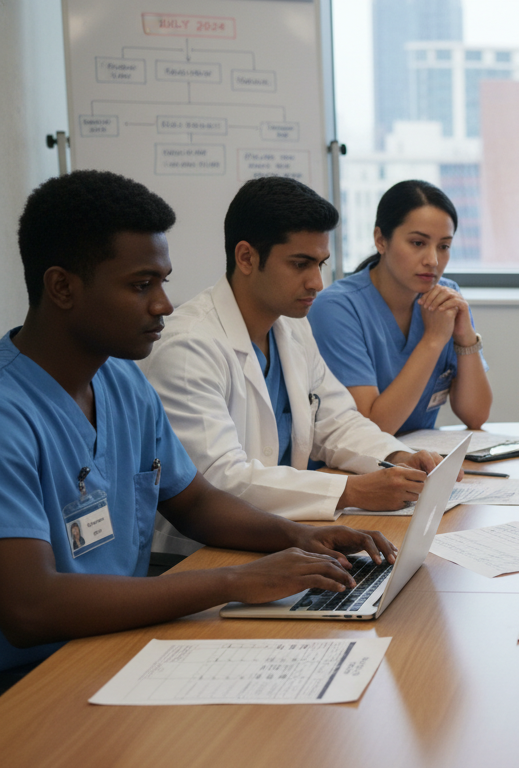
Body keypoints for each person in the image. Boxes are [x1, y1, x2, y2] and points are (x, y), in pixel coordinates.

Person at [0, 170, 396, 686]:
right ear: (62, 287)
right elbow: (31, 608)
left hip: (121, 642)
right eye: (142, 285)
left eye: (162, 282)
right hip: (35, 678)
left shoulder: (121, 381)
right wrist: (235, 580)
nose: (164, 303)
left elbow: (195, 502)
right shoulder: (12, 413)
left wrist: (303, 539)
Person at [139, 177, 442, 555]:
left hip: (285, 541)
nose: (317, 281)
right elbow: (219, 481)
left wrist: (396, 457)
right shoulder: (189, 347)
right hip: (204, 556)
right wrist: (352, 490)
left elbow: (337, 423)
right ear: (246, 257)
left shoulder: (292, 327)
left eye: (321, 264)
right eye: (300, 264)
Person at [310, 180, 491, 435]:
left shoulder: (446, 298)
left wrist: (465, 338)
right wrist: (432, 340)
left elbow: (476, 415)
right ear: (381, 240)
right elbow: (371, 431)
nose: (433, 260)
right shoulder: (336, 309)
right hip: (352, 469)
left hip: (418, 463)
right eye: (418, 243)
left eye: (444, 246)